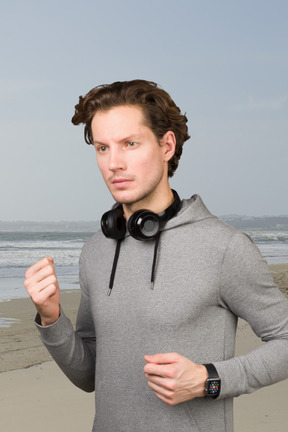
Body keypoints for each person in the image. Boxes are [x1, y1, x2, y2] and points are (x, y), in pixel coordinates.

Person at [24, 80, 288, 432]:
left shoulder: (224, 247)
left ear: (166, 145)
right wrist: (51, 317)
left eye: (129, 144)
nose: (113, 163)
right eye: (102, 148)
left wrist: (208, 379)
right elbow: (88, 375)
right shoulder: (96, 250)